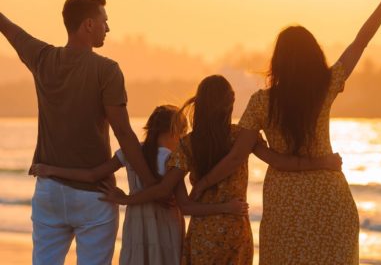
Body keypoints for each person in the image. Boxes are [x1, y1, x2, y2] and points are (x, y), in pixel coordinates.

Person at [190, 0, 381, 264]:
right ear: (313, 55)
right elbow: (360, 42)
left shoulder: (262, 102)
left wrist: (202, 184)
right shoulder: (326, 87)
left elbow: (235, 158)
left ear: (278, 61)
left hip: (286, 204)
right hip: (330, 198)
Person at [100, 75, 343, 264]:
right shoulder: (242, 137)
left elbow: (174, 198)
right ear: (231, 104)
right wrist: (323, 162)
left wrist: (127, 199)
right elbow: (279, 162)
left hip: (203, 238)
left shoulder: (188, 144)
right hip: (237, 235)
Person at [0, 0, 157, 265]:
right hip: (93, 197)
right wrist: (151, 185)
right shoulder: (106, 70)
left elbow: (8, 28)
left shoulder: (43, 58)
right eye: (104, 21)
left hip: (49, 191)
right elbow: (123, 132)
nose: (107, 28)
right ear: (88, 24)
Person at [30, 104, 248, 265]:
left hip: (136, 224)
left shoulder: (131, 152)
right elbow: (182, 203)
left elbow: (92, 174)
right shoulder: (174, 159)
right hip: (166, 227)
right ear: (176, 132)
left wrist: (51, 170)